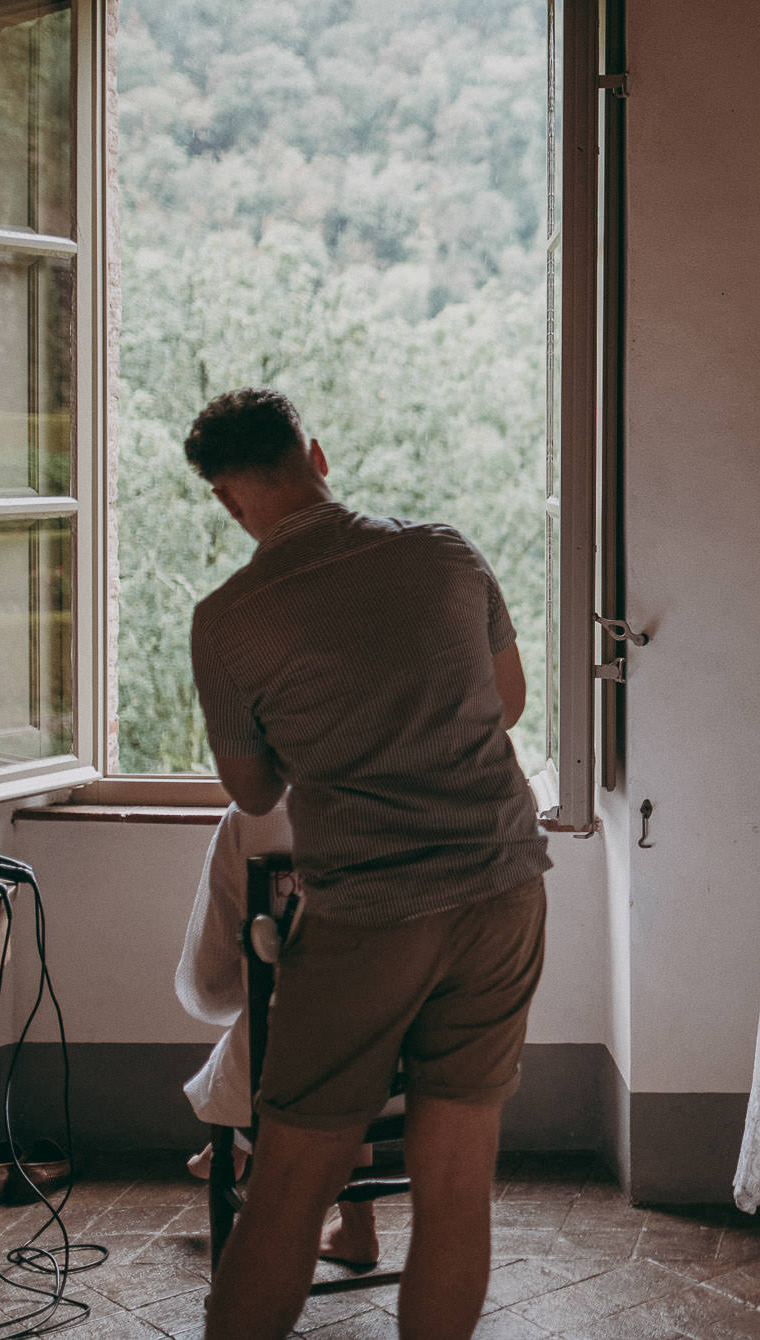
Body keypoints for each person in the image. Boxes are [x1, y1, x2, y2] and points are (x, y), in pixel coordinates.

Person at [183, 388, 549, 1340]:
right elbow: (506, 702)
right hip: (503, 888)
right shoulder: (444, 551)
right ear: (318, 453)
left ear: (228, 499)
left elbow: (255, 794)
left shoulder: (227, 621)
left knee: (292, 1186)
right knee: (458, 1182)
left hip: (371, 913)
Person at [174, 801, 377, 1269]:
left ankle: (239, 1152)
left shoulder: (256, 812)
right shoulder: (431, 796)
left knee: (278, 1021)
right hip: (417, 1064)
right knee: (353, 1015)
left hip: (294, 1069)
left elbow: (209, 980)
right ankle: (357, 1226)